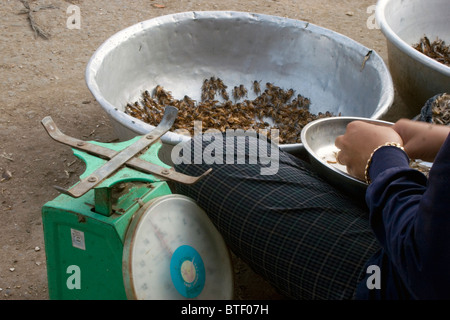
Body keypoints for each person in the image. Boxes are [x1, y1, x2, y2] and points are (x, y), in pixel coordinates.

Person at [173, 96, 450, 300]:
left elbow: (425, 265)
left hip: (399, 279)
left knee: (204, 152)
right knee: (438, 105)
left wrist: (383, 157)